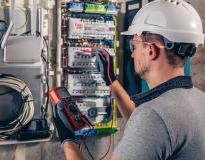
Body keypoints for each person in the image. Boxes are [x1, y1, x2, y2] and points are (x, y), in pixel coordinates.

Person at [52, 0, 205, 159]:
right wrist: (111, 81)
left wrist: (67, 140)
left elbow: (152, 124)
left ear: (151, 50)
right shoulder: (199, 100)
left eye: (135, 46)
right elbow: (150, 129)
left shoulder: (154, 117)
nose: (132, 54)